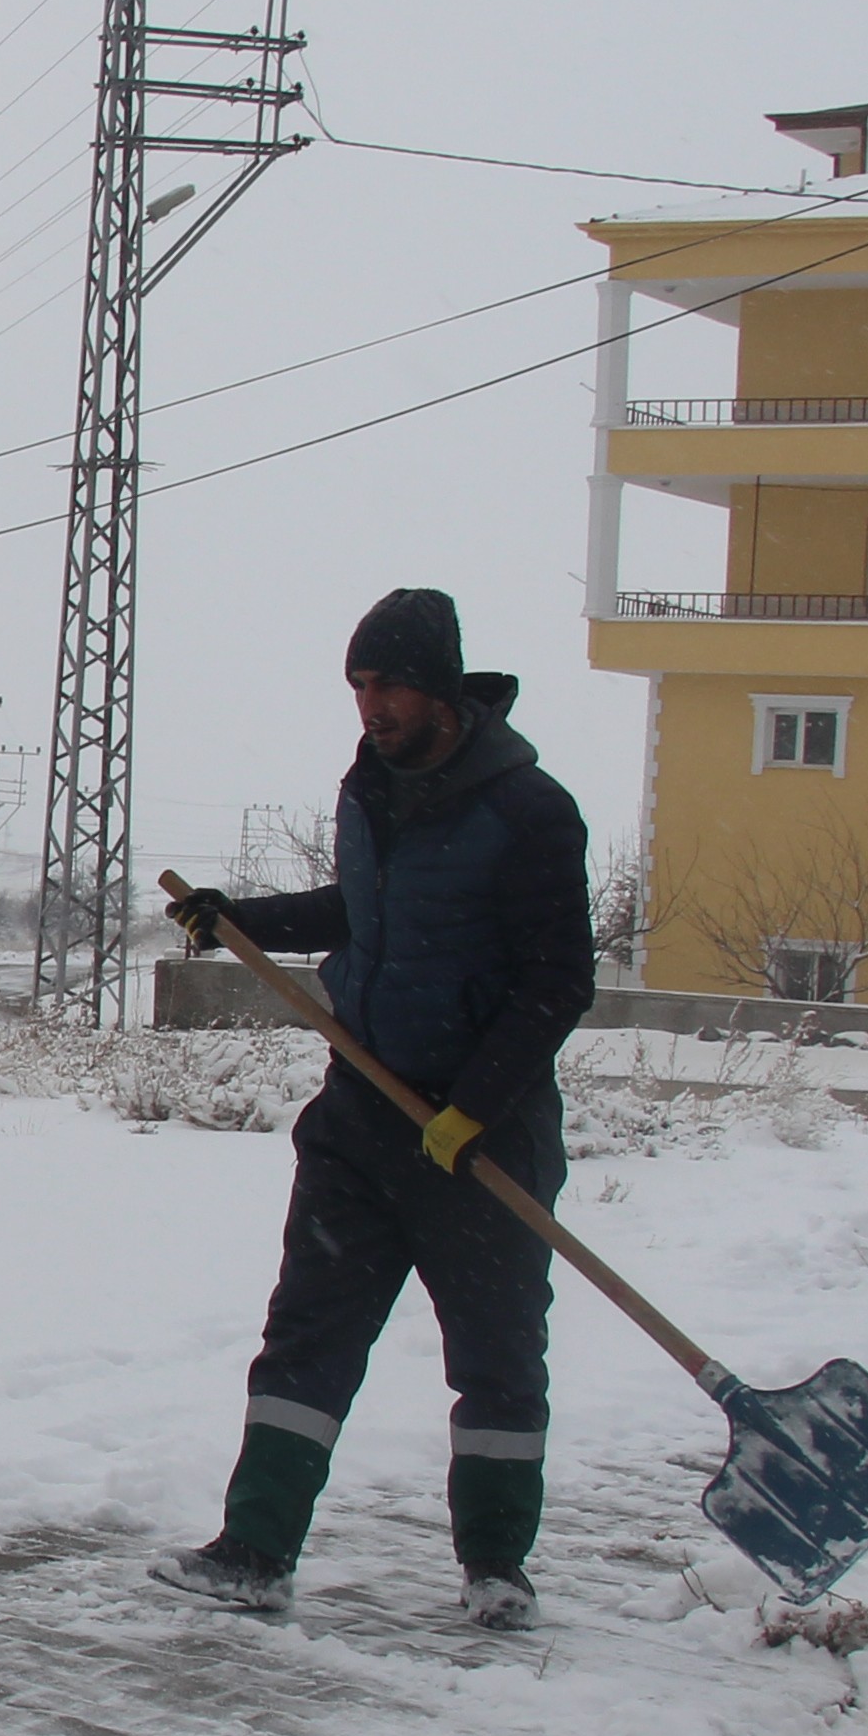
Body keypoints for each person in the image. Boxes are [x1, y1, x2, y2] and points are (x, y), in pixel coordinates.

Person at [147, 589, 596, 1629]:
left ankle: (496, 1568)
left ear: (441, 686)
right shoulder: (371, 790)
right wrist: (240, 917)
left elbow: (557, 981)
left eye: (388, 682)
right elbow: (363, 907)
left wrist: (473, 1107)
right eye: (357, 685)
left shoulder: (529, 811)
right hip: (362, 1116)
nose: (371, 705)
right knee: (308, 1332)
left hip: (481, 1134)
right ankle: (255, 1548)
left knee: (494, 1351)